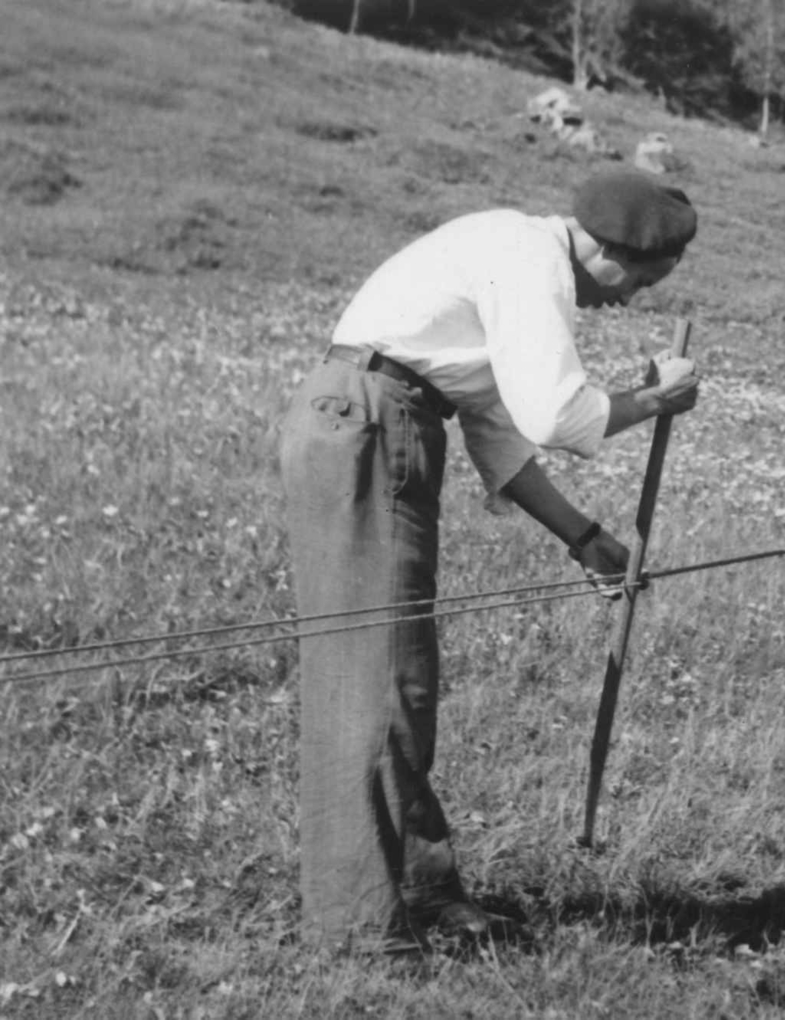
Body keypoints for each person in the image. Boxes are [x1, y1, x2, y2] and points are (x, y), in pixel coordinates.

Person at [278, 170, 701, 946]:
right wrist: (652, 401)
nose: (634, 296)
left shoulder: (510, 251)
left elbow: (496, 428)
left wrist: (586, 539)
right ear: (606, 247)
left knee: (388, 680)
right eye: (640, 276)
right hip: (376, 424)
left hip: (369, 418)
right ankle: (361, 931)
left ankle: (421, 892)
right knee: (377, 688)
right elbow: (556, 416)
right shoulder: (530, 259)